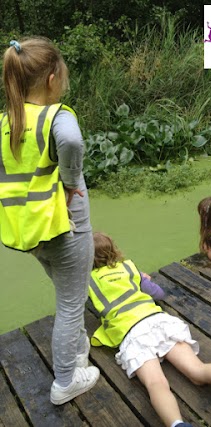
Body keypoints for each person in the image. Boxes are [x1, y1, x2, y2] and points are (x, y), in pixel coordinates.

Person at [89, 232, 211, 427]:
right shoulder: (129, 268)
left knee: (156, 384)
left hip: (133, 332)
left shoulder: (87, 281)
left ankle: (177, 424)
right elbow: (158, 293)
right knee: (198, 371)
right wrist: (143, 280)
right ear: (114, 250)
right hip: (159, 321)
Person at [0, 37, 100, 405]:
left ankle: (76, 353)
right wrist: (72, 181)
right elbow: (72, 142)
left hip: (29, 231)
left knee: (65, 293)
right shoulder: (58, 115)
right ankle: (65, 381)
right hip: (65, 228)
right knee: (71, 304)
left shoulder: (6, 121)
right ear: (52, 78)